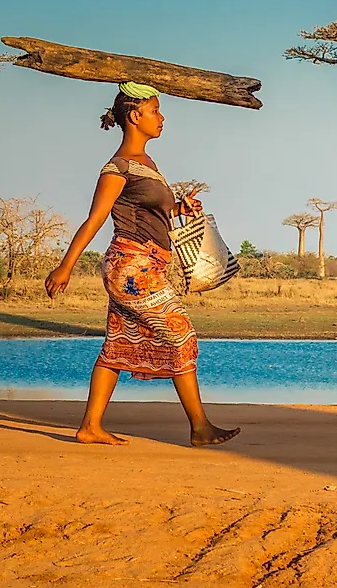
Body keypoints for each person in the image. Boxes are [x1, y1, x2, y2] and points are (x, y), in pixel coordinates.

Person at [45, 82, 241, 448]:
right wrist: (65, 266)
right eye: (155, 111)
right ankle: (199, 426)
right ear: (135, 117)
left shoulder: (147, 165)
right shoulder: (117, 168)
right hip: (132, 266)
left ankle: (91, 426)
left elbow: (151, 212)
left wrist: (180, 209)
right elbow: (96, 219)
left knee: (117, 344)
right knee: (181, 335)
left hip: (146, 264)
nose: (162, 118)